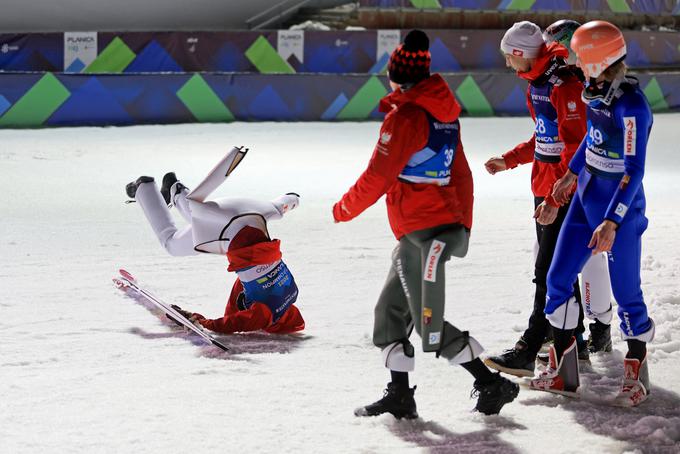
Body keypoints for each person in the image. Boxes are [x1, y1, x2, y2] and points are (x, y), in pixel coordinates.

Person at [333, 29, 518, 418]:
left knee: (429, 329)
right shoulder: (443, 115)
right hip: (417, 234)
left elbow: (378, 176)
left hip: (425, 236)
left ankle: (491, 383)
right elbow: (461, 174)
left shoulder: (406, 118)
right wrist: (463, 225)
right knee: (389, 314)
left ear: (396, 76)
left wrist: (343, 209)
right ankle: (400, 394)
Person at [530, 21, 654, 407]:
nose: (576, 64)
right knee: (557, 279)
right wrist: (568, 177)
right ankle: (566, 374)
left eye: (582, 59)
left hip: (618, 209)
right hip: (586, 200)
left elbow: (634, 170)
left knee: (627, 293)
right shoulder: (596, 92)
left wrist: (613, 221)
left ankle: (638, 369)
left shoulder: (632, 105)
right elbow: (591, 137)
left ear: (599, 61)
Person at [483, 21, 590, 378]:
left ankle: (531, 346)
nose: (507, 65)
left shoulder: (564, 87)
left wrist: (556, 197)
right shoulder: (539, 85)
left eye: (509, 58)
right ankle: (573, 340)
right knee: (560, 269)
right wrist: (509, 160)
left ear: (522, 56)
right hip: (544, 188)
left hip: (561, 193)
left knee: (548, 271)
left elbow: (576, 149)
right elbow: (544, 139)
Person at [125, 146, 305, 335]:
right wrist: (204, 323)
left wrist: (291, 200)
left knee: (202, 220)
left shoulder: (290, 291)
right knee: (173, 243)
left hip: (254, 213)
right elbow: (236, 323)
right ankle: (144, 189)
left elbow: (243, 287)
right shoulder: (268, 315)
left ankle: (176, 191)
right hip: (227, 230)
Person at [543, 19, 614, 354]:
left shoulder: (578, 85)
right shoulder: (569, 82)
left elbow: (584, 140)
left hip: (593, 182)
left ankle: (596, 329)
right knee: (567, 260)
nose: (553, 56)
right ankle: (584, 332)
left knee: (591, 257)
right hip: (582, 178)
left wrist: (570, 179)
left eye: (559, 48)